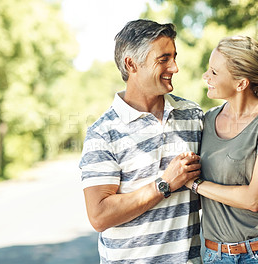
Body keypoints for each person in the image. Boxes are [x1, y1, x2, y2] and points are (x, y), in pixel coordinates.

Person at [79, 19, 203, 263]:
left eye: (174, 57)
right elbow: (99, 216)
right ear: (131, 64)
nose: (175, 67)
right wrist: (164, 184)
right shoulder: (103, 133)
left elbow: (213, 179)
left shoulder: (193, 116)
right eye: (163, 59)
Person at [185, 36, 258, 263]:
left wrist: (196, 185)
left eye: (214, 72)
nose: (205, 76)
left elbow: (254, 199)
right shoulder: (207, 121)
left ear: (241, 84)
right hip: (215, 255)